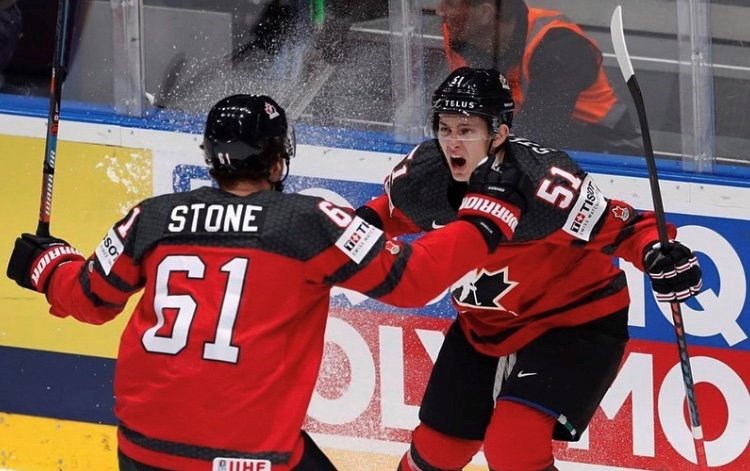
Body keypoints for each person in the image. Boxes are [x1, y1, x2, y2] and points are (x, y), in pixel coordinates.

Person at [6, 93, 525, 471]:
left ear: (211, 157)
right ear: (278, 159)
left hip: (141, 449)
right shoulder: (306, 221)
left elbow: (88, 298)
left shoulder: (153, 218)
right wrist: (485, 220)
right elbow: (411, 281)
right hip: (248, 456)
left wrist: (46, 264)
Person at [354, 67, 702, 471]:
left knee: (513, 446)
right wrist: (336, 234)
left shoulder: (546, 185)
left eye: (466, 130)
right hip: (482, 329)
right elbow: (387, 215)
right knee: (437, 450)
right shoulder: (423, 176)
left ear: (499, 133)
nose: (452, 143)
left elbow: (627, 229)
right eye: (445, 129)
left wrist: (660, 255)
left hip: (574, 323)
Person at [434, 0, 641, 155]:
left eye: (450, 4)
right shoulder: (459, 32)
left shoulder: (559, 45)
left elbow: (541, 132)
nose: (439, 11)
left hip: (605, 152)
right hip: (514, 140)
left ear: (485, 13)